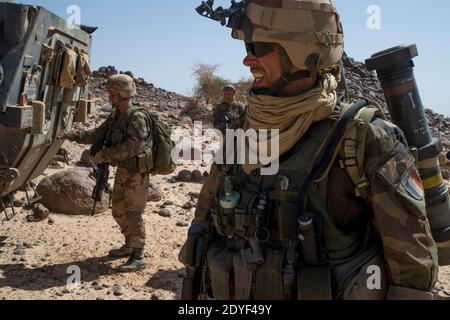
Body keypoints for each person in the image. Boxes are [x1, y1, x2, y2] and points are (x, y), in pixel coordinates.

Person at [180, 0, 438, 300]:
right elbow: (205, 221)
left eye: (259, 48)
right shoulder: (244, 128)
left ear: (301, 51)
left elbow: (410, 265)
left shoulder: (365, 138)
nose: (248, 61)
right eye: (247, 48)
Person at [66, 74, 152, 272]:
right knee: (118, 210)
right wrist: (70, 135)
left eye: (112, 94)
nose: (109, 98)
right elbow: (97, 134)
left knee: (132, 213)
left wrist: (104, 155)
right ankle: (129, 244)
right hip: (123, 170)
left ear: (122, 94)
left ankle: (138, 255)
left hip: (137, 172)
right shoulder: (116, 115)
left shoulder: (136, 116)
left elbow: (135, 145)